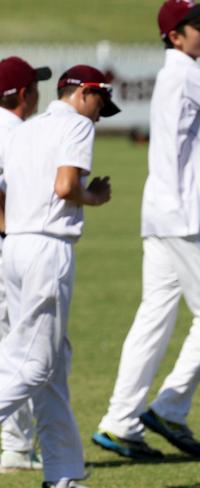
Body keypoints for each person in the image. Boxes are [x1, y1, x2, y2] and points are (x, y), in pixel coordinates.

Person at [94, 0, 200, 459]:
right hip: (186, 219)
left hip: (163, 214)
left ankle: (120, 421)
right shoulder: (185, 72)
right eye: (197, 24)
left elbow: (182, 154)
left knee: (154, 318)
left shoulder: (176, 74)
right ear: (174, 36)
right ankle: (170, 407)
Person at [0, 64, 118, 488]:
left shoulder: (26, 129)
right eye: (100, 102)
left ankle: (65, 476)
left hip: (14, 245)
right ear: (85, 92)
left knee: (51, 367)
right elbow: (66, 186)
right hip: (47, 249)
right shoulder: (78, 126)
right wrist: (95, 197)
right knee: (32, 365)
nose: (99, 114)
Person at [0, 56, 51, 473]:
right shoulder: (17, 133)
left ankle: (17, 446)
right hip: (10, 250)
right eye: (35, 86)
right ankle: (17, 446)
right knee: (23, 349)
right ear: (23, 94)